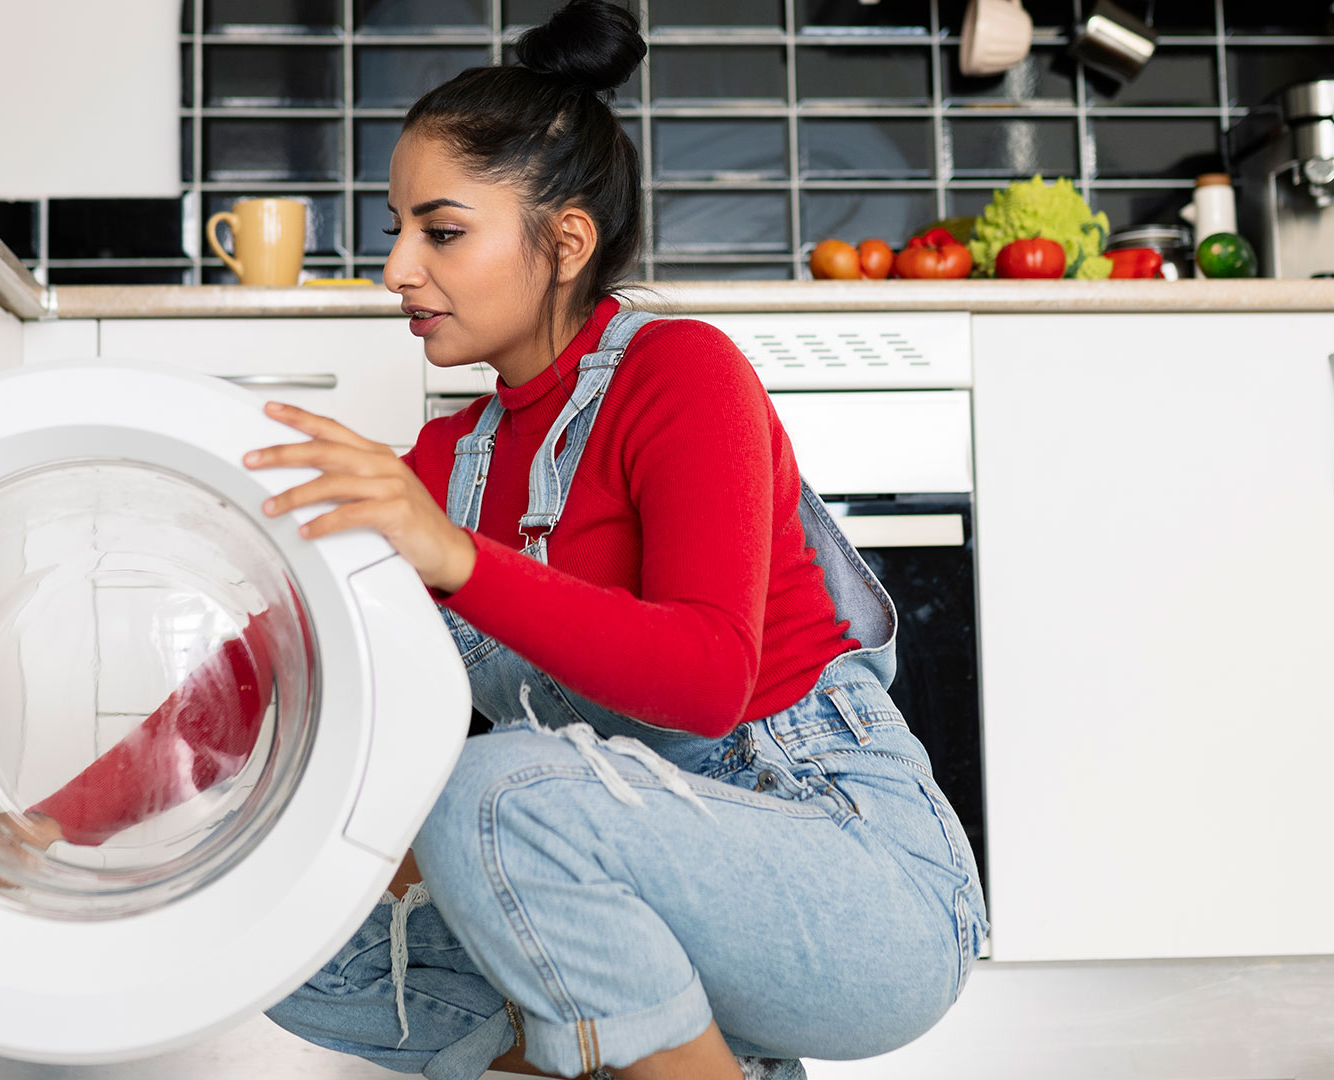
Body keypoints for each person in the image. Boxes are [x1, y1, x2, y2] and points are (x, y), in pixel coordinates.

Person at [236, 4, 991, 1078]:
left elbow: (708, 681)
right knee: (284, 934)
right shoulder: (443, 462)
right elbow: (257, 676)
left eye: (440, 231)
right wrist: (28, 845)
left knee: (489, 796)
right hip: (632, 882)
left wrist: (453, 557)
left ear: (566, 241)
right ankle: (690, 1054)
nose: (396, 267)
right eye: (397, 226)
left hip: (859, 883)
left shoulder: (679, 373)